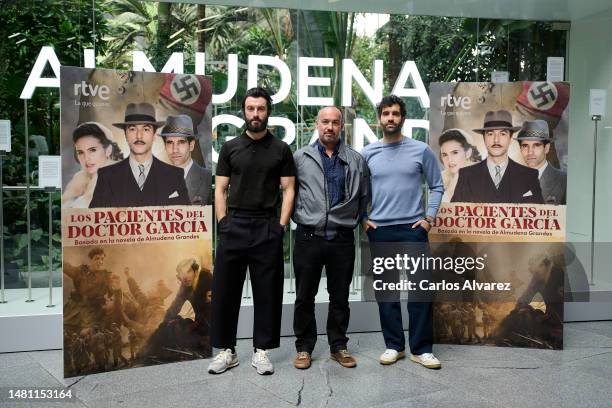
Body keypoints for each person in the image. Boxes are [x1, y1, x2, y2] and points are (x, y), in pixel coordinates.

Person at [208, 87, 296, 376]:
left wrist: (280, 226)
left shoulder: (281, 149)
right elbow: (220, 189)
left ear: (268, 111)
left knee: (267, 292)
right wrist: (223, 223)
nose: (255, 114)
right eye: (250, 109)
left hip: (266, 227)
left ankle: (262, 350)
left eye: (260, 108)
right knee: (225, 291)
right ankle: (227, 351)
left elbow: (289, 189)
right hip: (234, 226)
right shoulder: (230, 147)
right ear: (243, 111)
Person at [362, 95, 444, 369]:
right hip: (380, 231)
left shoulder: (420, 150)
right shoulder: (368, 153)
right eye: (386, 113)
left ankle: (421, 349)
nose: (390, 118)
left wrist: (429, 218)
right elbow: (358, 190)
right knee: (387, 291)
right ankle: (393, 345)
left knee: (420, 290)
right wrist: (363, 218)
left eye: (395, 113)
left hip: (413, 230)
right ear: (379, 118)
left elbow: (437, 185)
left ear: (403, 118)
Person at [291, 106, 369, 370]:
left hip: (342, 239)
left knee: (340, 296)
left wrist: (351, 221)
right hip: (308, 237)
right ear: (317, 124)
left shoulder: (356, 159)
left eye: (335, 122)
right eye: (325, 122)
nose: (330, 127)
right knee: (304, 296)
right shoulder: (300, 158)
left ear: (342, 126)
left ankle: (338, 346)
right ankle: (303, 348)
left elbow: (364, 198)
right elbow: (288, 194)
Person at [89, 102, 190, 208]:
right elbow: (93, 220)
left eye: (146, 129)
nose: (139, 136)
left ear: (154, 135)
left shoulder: (175, 175)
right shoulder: (106, 176)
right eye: (132, 129)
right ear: (125, 135)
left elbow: (187, 219)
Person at [451, 110, 544, 204]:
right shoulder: (466, 175)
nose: (496, 140)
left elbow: (541, 215)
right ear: (484, 138)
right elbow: (454, 215)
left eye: (503, 134)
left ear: (510, 139)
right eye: (490, 134)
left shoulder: (529, 176)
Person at [62, 122, 123, 208]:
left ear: (108, 150)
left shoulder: (117, 179)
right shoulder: (79, 179)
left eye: (92, 150)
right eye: (80, 152)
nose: (86, 158)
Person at [160, 114, 212, 205]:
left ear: (191, 145)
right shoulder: (157, 180)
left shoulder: (208, 179)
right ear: (165, 146)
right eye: (170, 142)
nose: (175, 149)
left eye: (181, 142)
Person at [516, 120, 566, 205]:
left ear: (546, 148)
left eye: (536, 145)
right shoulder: (512, 181)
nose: (530, 152)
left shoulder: (564, 181)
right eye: (525, 146)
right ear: (520, 149)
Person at [437, 128, 481, 202]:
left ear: (468, 153)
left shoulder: (480, 179)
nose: (449, 159)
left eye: (455, 153)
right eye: (444, 155)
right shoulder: (440, 180)